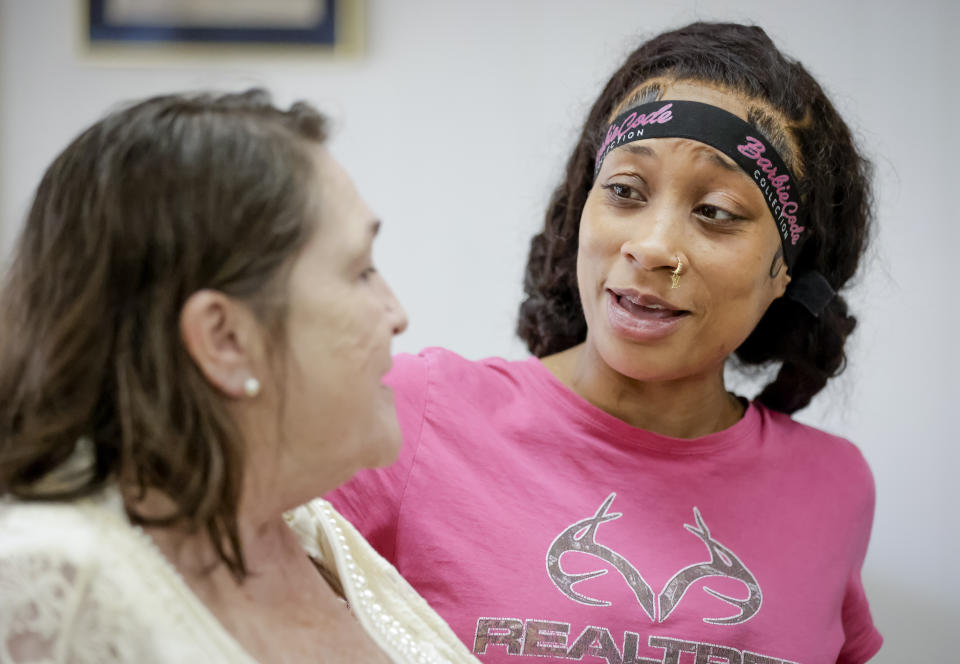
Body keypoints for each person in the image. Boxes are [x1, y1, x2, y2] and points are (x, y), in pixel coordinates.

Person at [328, 22, 882, 664]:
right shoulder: (413, 413)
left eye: (717, 212)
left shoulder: (833, 486)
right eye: (625, 190)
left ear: (786, 268)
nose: (650, 246)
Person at [0, 89, 478, 664]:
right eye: (361, 271)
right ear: (225, 340)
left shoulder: (308, 529)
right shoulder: (50, 589)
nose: (397, 314)